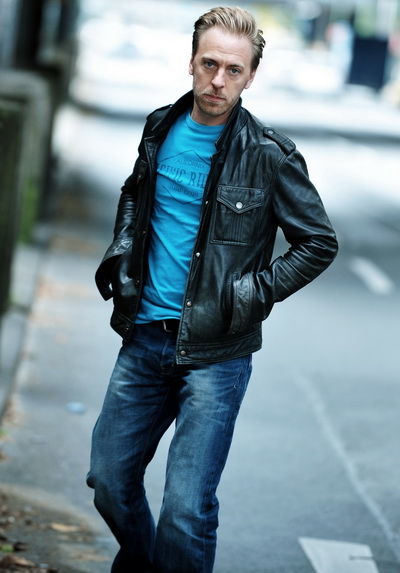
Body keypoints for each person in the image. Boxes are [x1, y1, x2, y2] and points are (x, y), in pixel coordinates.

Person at [87, 6, 338, 572]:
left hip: (217, 353)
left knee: (186, 508)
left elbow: (318, 242)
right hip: (144, 337)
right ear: (191, 62)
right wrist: (122, 249)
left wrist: (251, 295)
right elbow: (135, 192)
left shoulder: (269, 155)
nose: (218, 80)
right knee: (108, 480)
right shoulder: (160, 127)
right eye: (209, 64)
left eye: (233, 70)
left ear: (251, 76)